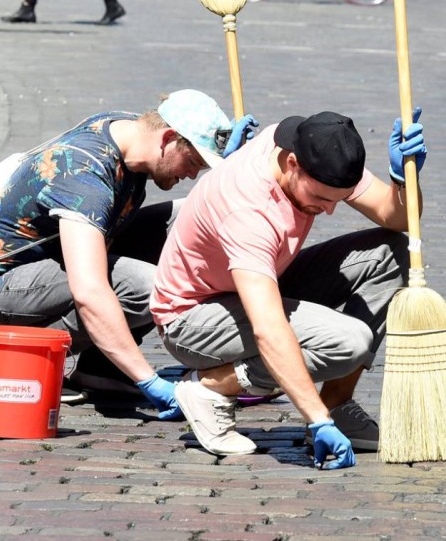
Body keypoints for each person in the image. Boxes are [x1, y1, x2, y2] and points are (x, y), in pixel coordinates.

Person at [150, 110, 427, 467]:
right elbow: (269, 330)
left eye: (337, 200)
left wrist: (402, 178)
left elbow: (399, 218)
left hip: (259, 282)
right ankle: (210, 388)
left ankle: (337, 405)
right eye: (321, 199)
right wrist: (316, 420)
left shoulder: (314, 148)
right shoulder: (249, 212)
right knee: (348, 341)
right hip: (192, 319)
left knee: (393, 252)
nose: (327, 211)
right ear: (293, 163)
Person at [0, 91, 252, 409]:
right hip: (7, 286)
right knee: (151, 287)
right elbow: (89, 289)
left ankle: (101, 369)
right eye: (194, 162)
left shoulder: (134, 131)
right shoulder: (84, 176)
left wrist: (234, 161)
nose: (191, 174)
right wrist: (148, 380)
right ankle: (30, 355)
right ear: (169, 137)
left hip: (69, 252)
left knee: (195, 214)